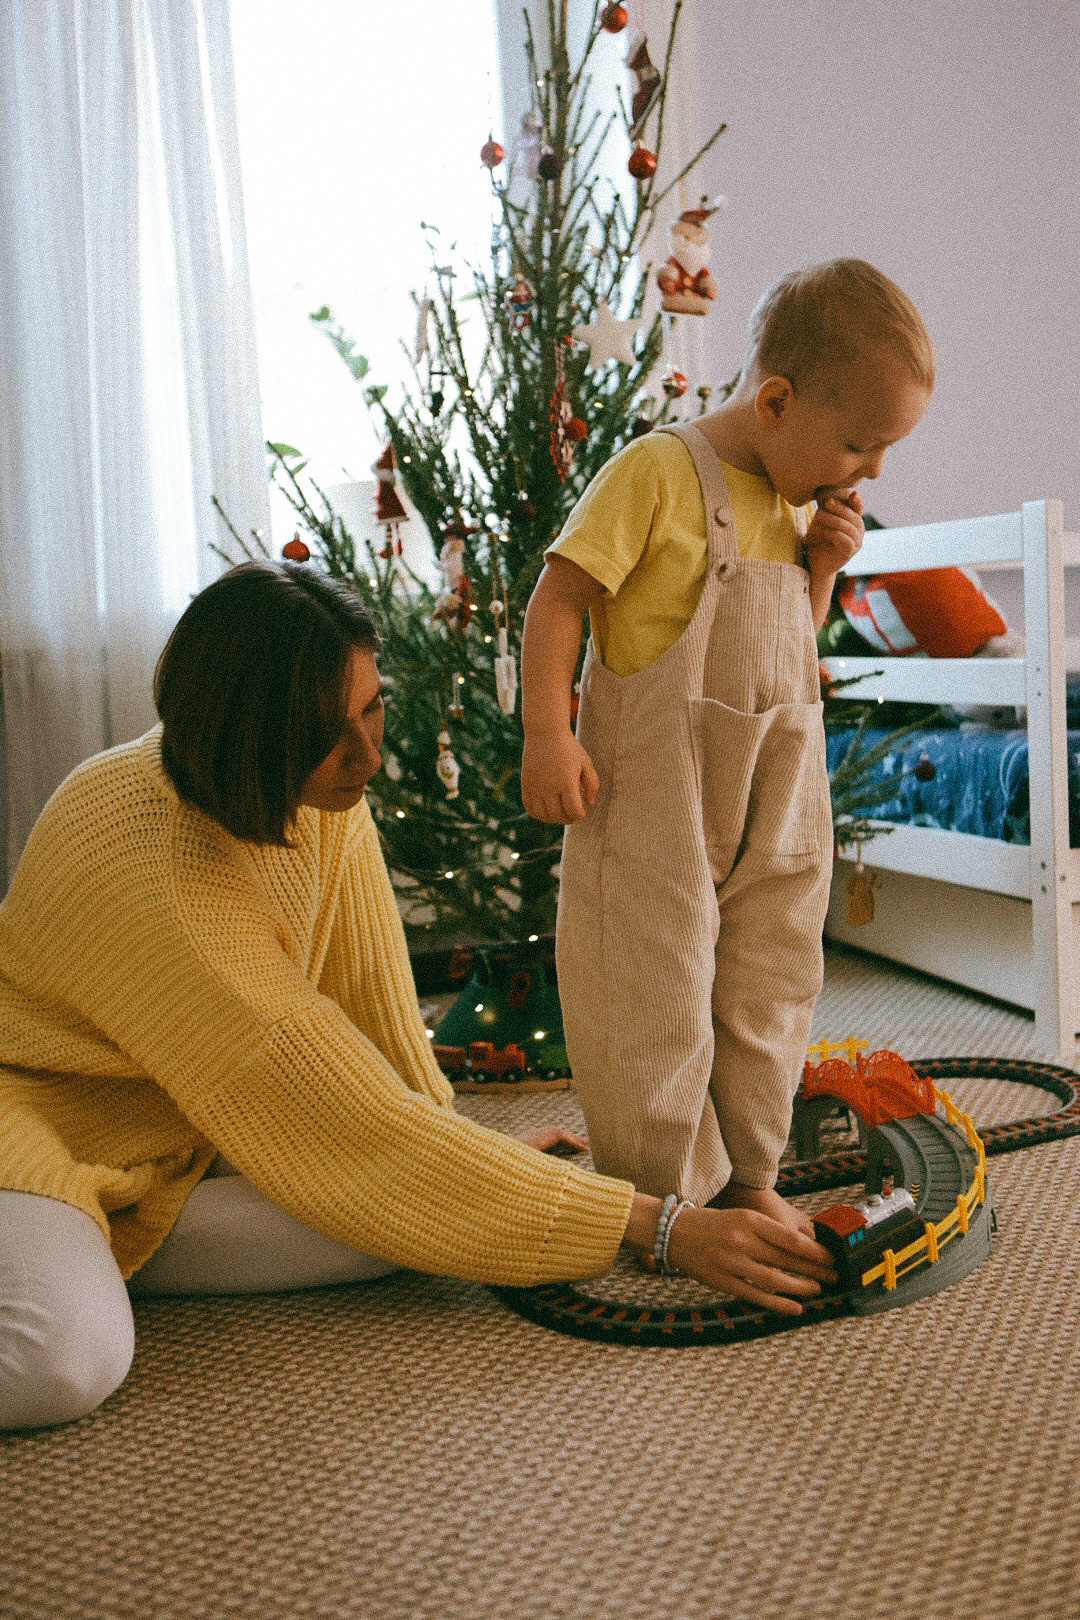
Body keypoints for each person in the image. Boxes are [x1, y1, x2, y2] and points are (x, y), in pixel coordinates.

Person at [0, 561, 835, 1432]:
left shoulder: (306, 790)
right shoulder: (167, 883)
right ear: (248, 734)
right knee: (67, 1361)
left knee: (402, 1221)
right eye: (329, 733)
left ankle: (108, 1236)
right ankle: (78, 1246)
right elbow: (347, 1105)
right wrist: (660, 1228)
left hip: (179, 1130)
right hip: (33, 1122)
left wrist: (459, 1142)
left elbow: (378, 1024)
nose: (369, 754)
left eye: (373, 707)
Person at [521, 258, 933, 1224]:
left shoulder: (796, 503)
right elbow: (560, 597)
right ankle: (668, 1197)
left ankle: (751, 1175)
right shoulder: (658, 474)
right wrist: (548, 730)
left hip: (774, 793)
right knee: (652, 986)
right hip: (656, 793)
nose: (872, 472)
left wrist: (823, 566)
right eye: (861, 444)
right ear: (777, 400)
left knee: (771, 973)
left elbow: (787, 647)